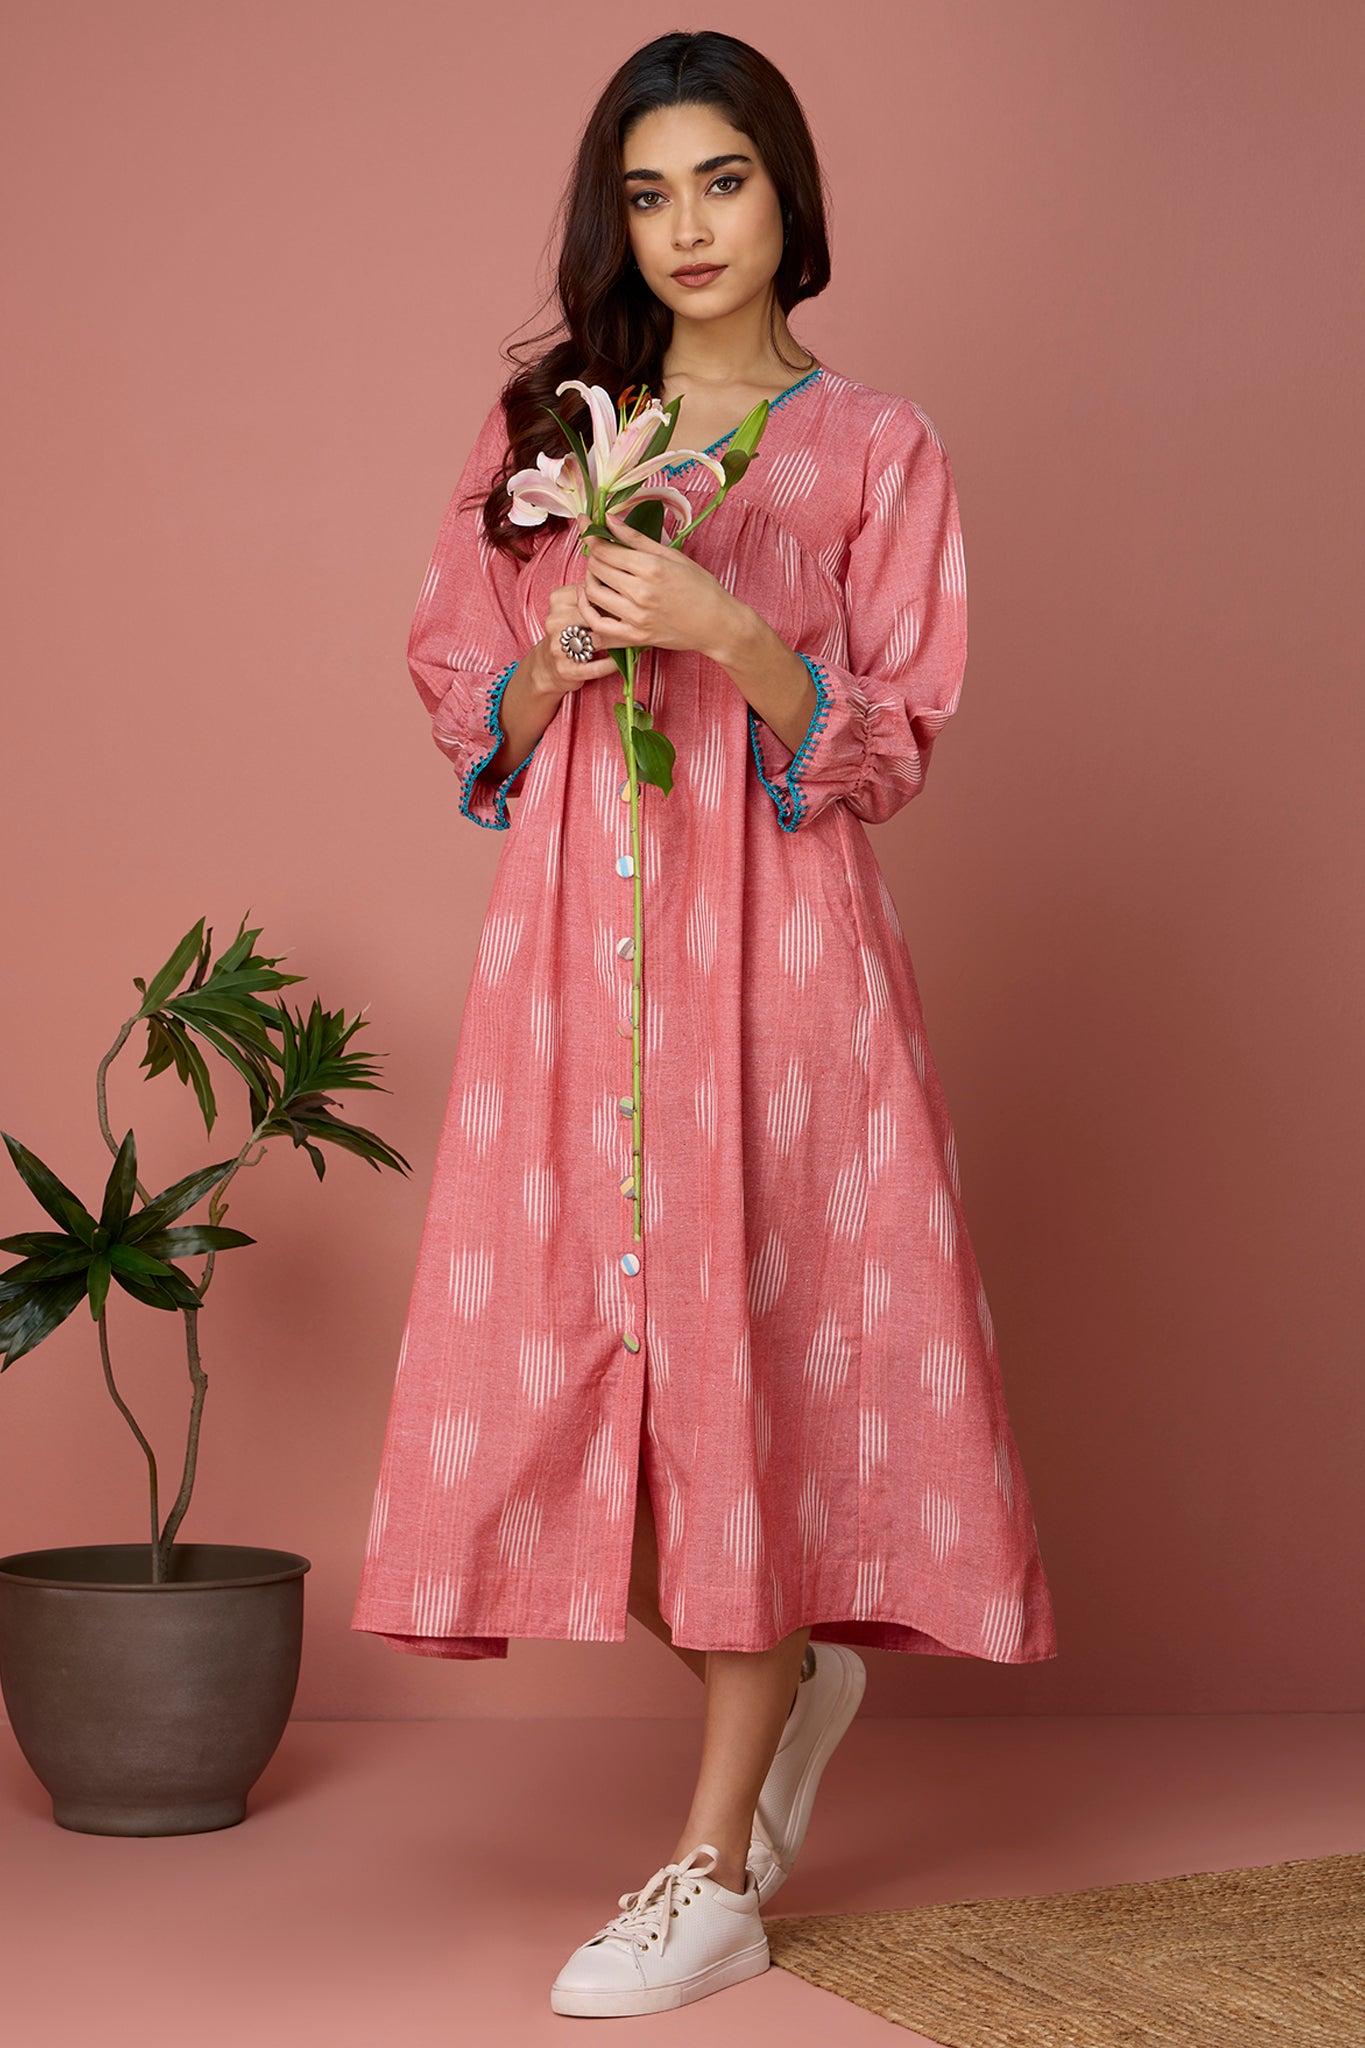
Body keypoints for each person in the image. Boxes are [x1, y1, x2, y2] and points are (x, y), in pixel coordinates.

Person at [350, 27, 1059, 2019]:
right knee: (570, 1398)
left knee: (749, 1378)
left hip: (781, 981)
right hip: (572, 980)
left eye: (720, 182)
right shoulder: (546, 437)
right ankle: (794, 1677)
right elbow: (462, 702)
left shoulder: (876, 449)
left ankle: (712, 1874)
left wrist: (731, 632)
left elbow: (889, 742)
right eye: (648, 192)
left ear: (784, 198)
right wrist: (559, 653)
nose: (685, 227)